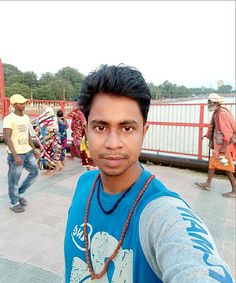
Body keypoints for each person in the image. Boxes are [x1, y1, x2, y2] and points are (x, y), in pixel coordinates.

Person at [64, 65, 233, 282]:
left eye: (127, 128)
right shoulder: (84, 184)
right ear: (86, 130)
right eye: (101, 127)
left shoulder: (162, 214)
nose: (113, 143)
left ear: (143, 132)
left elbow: (195, 265)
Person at [3, 94, 39, 213]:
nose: (23, 105)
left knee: (34, 172)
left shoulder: (25, 117)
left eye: (24, 103)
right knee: (14, 180)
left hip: (27, 152)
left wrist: (34, 149)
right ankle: (14, 202)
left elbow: (27, 135)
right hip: (16, 155)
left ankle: (18, 194)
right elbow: (7, 138)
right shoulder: (9, 119)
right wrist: (15, 155)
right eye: (20, 103)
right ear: (14, 105)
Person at [195, 93, 236, 198]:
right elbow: (213, 127)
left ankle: (235, 190)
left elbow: (228, 132)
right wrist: (207, 135)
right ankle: (207, 184)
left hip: (224, 146)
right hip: (220, 146)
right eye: (208, 102)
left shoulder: (222, 114)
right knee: (212, 164)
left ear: (216, 103)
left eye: (210, 102)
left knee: (227, 167)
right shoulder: (216, 113)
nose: (208, 104)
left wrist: (223, 147)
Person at [33, 107, 63, 175]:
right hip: (56, 138)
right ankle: (58, 164)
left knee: (46, 154)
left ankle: (48, 171)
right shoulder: (54, 118)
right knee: (54, 153)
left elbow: (35, 124)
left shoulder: (43, 118)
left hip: (47, 139)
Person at [68, 104, 96, 170]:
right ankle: (73, 155)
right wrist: (73, 110)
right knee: (74, 144)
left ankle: (84, 157)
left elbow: (84, 124)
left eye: (74, 106)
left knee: (79, 144)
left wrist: (86, 133)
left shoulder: (80, 114)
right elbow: (68, 114)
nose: (73, 107)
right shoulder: (75, 113)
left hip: (79, 133)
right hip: (75, 132)